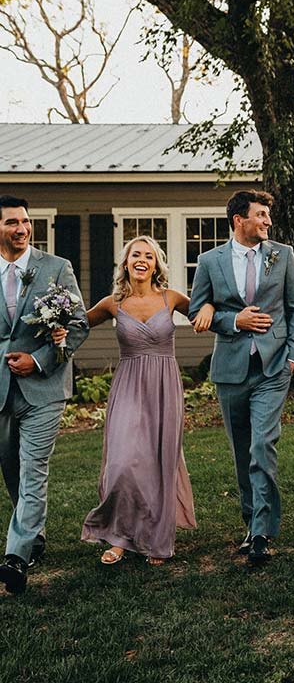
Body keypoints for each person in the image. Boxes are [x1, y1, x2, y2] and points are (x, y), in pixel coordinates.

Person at [188, 190, 294, 566]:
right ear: (239, 219)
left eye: (268, 215)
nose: (268, 221)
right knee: (242, 451)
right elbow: (197, 310)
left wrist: (291, 358)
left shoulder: (282, 254)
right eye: (260, 215)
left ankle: (261, 533)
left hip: (273, 367)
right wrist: (232, 320)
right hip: (231, 369)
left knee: (261, 447)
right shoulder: (210, 260)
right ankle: (250, 520)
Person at [76, 236, 197, 565]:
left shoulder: (171, 298)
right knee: (123, 463)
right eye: (135, 255)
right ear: (126, 263)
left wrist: (211, 307)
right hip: (128, 386)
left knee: (158, 463)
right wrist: (57, 329)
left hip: (163, 386)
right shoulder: (112, 303)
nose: (142, 260)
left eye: (149, 255)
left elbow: (206, 315)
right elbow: (77, 325)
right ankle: (119, 536)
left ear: (156, 264)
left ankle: (154, 537)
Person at [0, 195, 88, 595]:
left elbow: (79, 325)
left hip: (45, 386)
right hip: (1, 387)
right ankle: (33, 535)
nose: (21, 229)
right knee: (11, 470)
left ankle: (15, 557)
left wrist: (37, 360)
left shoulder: (56, 268)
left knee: (33, 468)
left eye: (24, 222)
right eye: (10, 223)